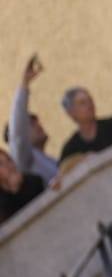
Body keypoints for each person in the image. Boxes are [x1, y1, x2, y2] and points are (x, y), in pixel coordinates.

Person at [7, 55, 58, 185]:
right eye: (31, 123)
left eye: (37, 121)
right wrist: (24, 84)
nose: (38, 125)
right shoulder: (23, 159)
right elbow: (17, 134)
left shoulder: (50, 160)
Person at [58, 87, 112, 162]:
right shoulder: (70, 148)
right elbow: (64, 170)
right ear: (71, 113)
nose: (90, 105)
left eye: (90, 100)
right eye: (82, 103)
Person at [0, 149, 44, 224]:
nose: (8, 166)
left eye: (9, 160)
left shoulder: (33, 181)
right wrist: (14, 191)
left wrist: (20, 188)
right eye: (1, 164)